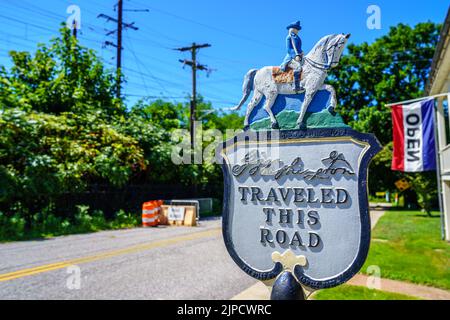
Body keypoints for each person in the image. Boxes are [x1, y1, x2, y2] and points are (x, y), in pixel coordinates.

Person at [280, 21, 303, 92]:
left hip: (298, 56)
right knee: (298, 67)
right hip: (290, 58)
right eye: (295, 28)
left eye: (297, 29)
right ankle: (295, 86)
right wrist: (295, 55)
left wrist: (301, 52)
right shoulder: (289, 37)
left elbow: (298, 48)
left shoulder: (297, 38)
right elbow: (289, 49)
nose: (296, 30)